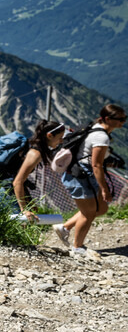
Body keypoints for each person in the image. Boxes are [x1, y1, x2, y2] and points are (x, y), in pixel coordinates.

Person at [55, 104, 126, 254]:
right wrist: (105, 189)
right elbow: (96, 165)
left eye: (125, 118)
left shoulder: (95, 128)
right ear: (107, 119)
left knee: (101, 208)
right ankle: (77, 247)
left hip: (81, 173)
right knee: (89, 214)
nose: (123, 121)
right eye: (120, 118)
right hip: (81, 177)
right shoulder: (101, 136)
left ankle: (64, 227)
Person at [9, 120, 65, 222]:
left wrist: (28, 201)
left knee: (29, 219)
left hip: (8, 182)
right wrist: (24, 209)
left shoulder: (36, 148)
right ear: (49, 136)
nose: (61, 141)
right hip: (3, 183)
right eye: (60, 138)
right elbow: (17, 181)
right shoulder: (35, 154)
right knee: (21, 221)